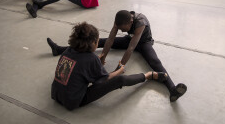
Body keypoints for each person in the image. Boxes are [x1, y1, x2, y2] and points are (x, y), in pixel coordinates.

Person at [47, 11, 187, 102]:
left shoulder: (140, 23)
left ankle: (172, 89)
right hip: (130, 40)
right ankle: (59, 48)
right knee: (100, 40)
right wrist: (103, 55)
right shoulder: (121, 20)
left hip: (142, 43)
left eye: (122, 29)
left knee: (154, 61)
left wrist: (120, 67)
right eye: (118, 28)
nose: (120, 30)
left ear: (130, 23)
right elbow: (110, 39)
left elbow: (132, 47)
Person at [51, 22, 168, 110]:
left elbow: (79, 66)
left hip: (55, 94)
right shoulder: (91, 59)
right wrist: (120, 71)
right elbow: (102, 81)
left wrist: (96, 64)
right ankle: (148, 75)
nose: (98, 43)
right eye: (97, 41)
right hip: (73, 102)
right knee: (120, 79)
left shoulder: (68, 50)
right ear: (93, 43)